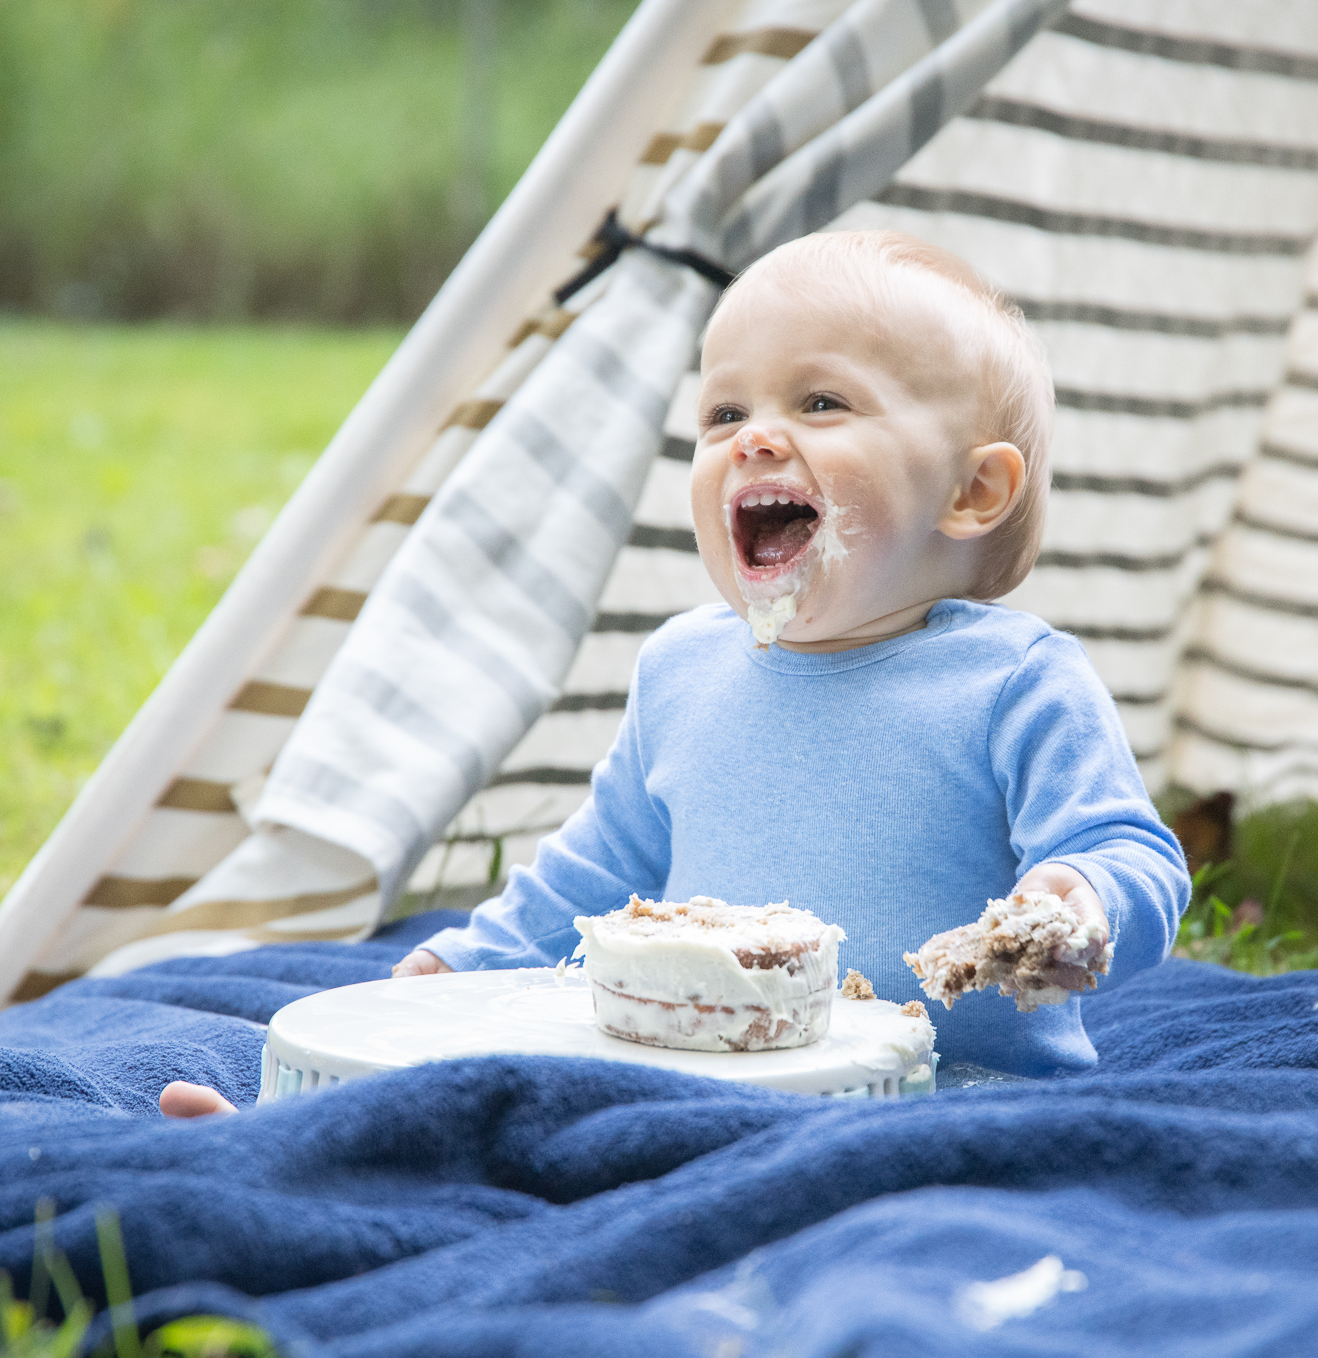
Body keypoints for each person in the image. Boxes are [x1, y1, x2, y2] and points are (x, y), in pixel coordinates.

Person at [161, 231, 1188, 1119]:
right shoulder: (682, 670)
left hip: (950, 1098)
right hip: (708, 1087)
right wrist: (459, 966)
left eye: (821, 401)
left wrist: (1074, 904)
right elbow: (600, 868)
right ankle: (300, 1138)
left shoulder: (1014, 682)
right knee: (527, 1120)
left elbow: (1127, 852)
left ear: (972, 491)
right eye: (723, 412)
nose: (754, 439)